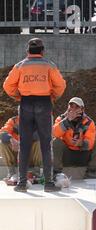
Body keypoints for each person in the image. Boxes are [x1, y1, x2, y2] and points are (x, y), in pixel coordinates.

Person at [2, 38, 66, 192]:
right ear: (43, 51)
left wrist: (19, 96)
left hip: (26, 103)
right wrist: (52, 96)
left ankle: (22, 183)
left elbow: (7, 86)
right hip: (44, 103)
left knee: (24, 144)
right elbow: (61, 85)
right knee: (46, 144)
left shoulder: (20, 66)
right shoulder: (49, 65)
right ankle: (48, 184)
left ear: (27, 51)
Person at [52, 97, 96, 179]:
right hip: (67, 155)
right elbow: (54, 133)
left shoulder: (88, 122)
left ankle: (91, 171)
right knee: (56, 141)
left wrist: (82, 143)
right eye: (71, 106)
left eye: (76, 107)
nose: (73, 109)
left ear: (82, 109)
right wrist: (67, 121)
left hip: (83, 154)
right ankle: (57, 173)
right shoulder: (61, 119)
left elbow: (90, 142)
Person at [0, 115, 41, 179]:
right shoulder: (13, 121)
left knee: (40, 142)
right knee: (2, 143)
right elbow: (2, 133)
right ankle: (11, 173)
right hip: (16, 155)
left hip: (30, 157)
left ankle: (36, 172)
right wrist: (11, 139)